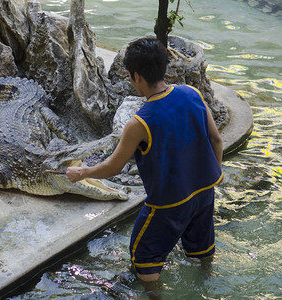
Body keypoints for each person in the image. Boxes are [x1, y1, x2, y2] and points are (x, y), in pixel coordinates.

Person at [66, 37, 223, 282]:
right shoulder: (192, 93)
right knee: (201, 252)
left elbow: (113, 167)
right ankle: (206, 281)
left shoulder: (140, 123)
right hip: (204, 193)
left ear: (136, 76)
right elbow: (216, 140)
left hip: (167, 207)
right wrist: (213, 176)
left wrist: (82, 173)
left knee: (144, 260)